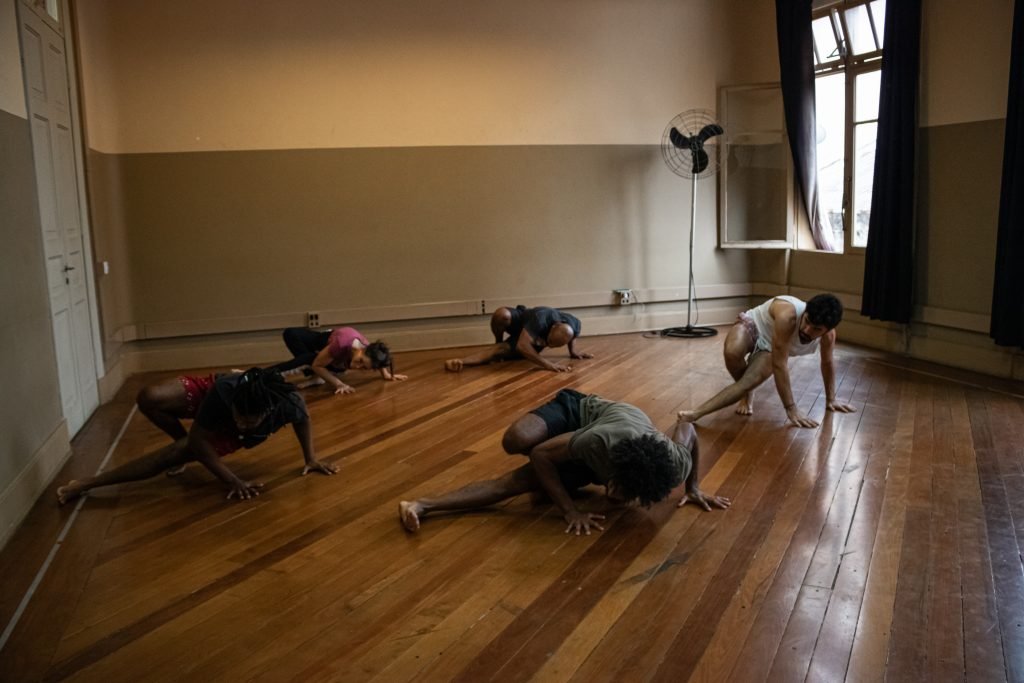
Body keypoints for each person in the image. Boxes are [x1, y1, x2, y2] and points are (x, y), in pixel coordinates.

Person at [399, 388, 729, 534]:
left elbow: (687, 429)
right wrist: (569, 509)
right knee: (518, 442)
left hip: (591, 449)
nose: (617, 498)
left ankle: (420, 506)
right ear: (613, 469)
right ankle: (422, 503)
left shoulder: (674, 463)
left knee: (514, 486)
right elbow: (540, 454)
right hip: (578, 412)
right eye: (618, 488)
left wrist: (694, 486)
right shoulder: (600, 442)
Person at [56, 368, 337, 504]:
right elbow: (200, 438)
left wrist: (310, 458)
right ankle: (185, 447)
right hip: (212, 395)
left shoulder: (290, 402)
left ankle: (85, 484)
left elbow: (303, 420)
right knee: (149, 397)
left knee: (169, 456)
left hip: (226, 429)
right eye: (239, 416)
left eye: (249, 421)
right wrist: (232, 479)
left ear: (267, 412)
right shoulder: (225, 390)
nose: (242, 423)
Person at [678, 293, 857, 428]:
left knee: (747, 382)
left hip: (771, 347)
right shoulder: (788, 317)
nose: (807, 330)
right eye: (807, 321)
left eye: (816, 329)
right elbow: (780, 365)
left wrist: (831, 399)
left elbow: (827, 363)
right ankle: (747, 393)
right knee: (732, 352)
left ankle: (695, 414)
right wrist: (791, 408)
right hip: (754, 324)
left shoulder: (828, 337)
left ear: (827, 330)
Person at [444, 305, 592, 373]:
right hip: (521, 322)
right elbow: (522, 345)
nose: (549, 347)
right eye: (549, 342)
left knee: (499, 350)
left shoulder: (574, 323)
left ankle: (460, 362)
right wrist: (548, 365)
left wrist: (573, 351)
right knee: (501, 314)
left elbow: (574, 334)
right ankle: (499, 342)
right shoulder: (540, 319)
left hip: (534, 339)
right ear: (553, 327)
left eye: (553, 346)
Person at [271, 326, 407, 395]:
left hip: (335, 363)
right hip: (323, 341)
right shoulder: (342, 344)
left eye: (363, 368)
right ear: (362, 350)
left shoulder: (368, 350)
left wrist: (387, 375)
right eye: (360, 361)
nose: (357, 367)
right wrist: (339, 384)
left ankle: (265, 375)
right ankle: (316, 376)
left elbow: (379, 357)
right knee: (290, 333)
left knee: (309, 360)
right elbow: (318, 365)